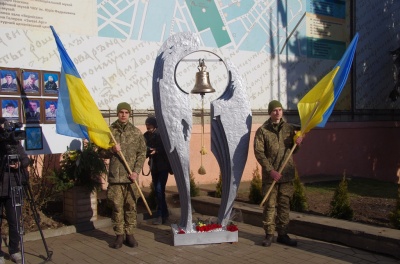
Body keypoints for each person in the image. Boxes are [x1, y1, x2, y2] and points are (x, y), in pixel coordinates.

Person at [253, 100, 303, 247]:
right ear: (270, 112)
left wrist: (298, 143)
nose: (278, 112)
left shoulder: (289, 128)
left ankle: (283, 234)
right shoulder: (263, 131)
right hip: (272, 176)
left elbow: (295, 149)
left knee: (284, 205)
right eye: (275, 110)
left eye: (280, 110)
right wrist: (271, 171)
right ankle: (269, 234)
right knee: (270, 205)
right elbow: (259, 152)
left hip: (286, 174)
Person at [99, 102, 146, 249]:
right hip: (116, 178)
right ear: (117, 113)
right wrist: (112, 150)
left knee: (131, 207)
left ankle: (130, 234)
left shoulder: (136, 132)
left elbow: (142, 153)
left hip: (131, 178)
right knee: (117, 207)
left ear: (129, 114)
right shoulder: (110, 132)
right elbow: (100, 152)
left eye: (126, 112)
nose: (123, 115)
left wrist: (136, 171)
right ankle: (119, 236)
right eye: (121, 112)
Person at [0, 117, 29, 264]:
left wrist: (18, 164)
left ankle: (14, 250)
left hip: (13, 186)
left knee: (14, 221)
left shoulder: (14, 143)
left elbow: (25, 159)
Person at [143, 116, 171, 225]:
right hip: (154, 166)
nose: (148, 127)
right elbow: (142, 147)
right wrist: (147, 151)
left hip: (163, 166)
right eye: (147, 125)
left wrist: (157, 150)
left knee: (159, 190)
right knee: (158, 191)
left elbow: (167, 148)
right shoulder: (145, 136)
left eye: (149, 125)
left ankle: (160, 215)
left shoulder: (161, 134)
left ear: (154, 125)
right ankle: (165, 214)